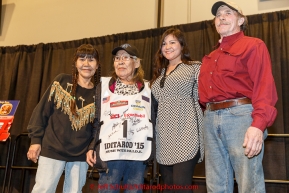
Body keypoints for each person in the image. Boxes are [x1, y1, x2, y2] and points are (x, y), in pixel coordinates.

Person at [198, 2, 278, 193]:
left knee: (248, 183)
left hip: (241, 117)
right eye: (218, 15)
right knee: (215, 185)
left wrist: (258, 125)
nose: (222, 17)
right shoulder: (210, 56)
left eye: (228, 13)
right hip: (210, 118)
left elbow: (264, 86)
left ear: (241, 20)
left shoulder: (253, 45)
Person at [27, 44, 101, 193]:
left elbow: (98, 126)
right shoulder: (61, 81)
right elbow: (41, 111)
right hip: (52, 148)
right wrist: (35, 141)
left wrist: (92, 147)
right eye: (82, 59)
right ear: (75, 62)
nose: (86, 64)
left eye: (91, 60)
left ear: (97, 65)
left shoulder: (100, 93)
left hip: (81, 154)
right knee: (44, 189)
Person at [86, 43, 153, 193]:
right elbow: (97, 120)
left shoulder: (148, 88)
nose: (121, 61)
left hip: (138, 153)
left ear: (136, 62)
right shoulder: (103, 87)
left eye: (126, 58)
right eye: (117, 58)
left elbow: (153, 122)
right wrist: (92, 146)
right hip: (111, 152)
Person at [150, 28, 204, 193]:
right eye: (164, 43)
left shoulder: (195, 67)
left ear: (182, 45)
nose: (168, 46)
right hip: (164, 137)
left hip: (187, 133)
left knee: (181, 187)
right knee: (168, 189)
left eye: (172, 42)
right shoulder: (159, 74)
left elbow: (206, 97)